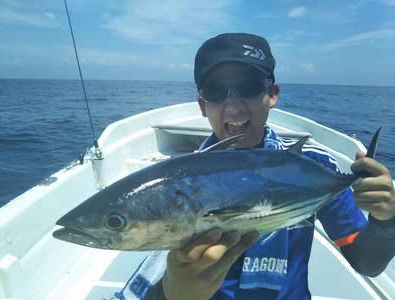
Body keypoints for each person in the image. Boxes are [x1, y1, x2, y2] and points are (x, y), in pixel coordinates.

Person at [124, 33, 395, 300]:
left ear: (272, 94)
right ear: (202, 105)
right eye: (216, 92)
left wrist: (386, 220)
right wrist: (169, 293)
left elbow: (367, 263)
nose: (234, 106)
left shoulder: (311, 164)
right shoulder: (181, 184)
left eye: (250, 87)